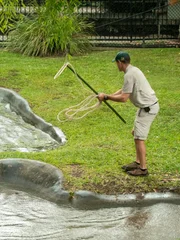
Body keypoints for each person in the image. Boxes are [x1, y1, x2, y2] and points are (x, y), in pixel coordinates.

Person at [97, 52, 159, 176]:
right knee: (135, 133)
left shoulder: (129, 74)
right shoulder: (133, 71)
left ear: (120, 62)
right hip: (145, 108)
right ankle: (137, 162)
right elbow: (124, 90)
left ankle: (143, 169)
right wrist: (107, 96)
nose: (116, 65)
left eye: (116, 63)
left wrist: (107, 97)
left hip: (148, 108)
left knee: (139, 138)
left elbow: (124, 98)